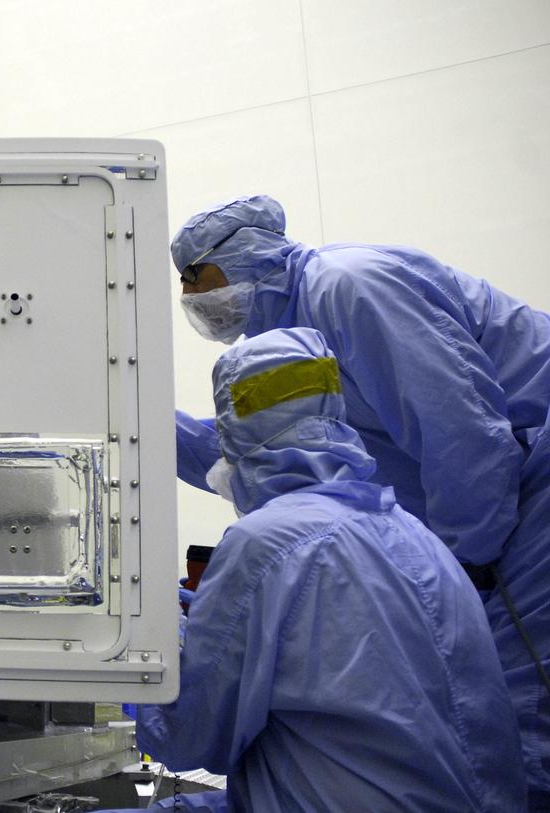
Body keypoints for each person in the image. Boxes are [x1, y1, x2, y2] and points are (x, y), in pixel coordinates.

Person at [171, 194, 550, 804]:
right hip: (474, 522)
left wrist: (468, 559)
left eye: (195, 275)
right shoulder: (291, 339)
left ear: (240, 253)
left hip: (524, 495)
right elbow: (262, 444)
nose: (189, 294)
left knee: (529, 703)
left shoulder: (347, 285)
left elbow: (466, 435)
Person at [130, 327, 525, 812]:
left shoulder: (268, 543)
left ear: (232, 434)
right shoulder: (411, 532)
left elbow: (189, 737)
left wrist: (158, 641)